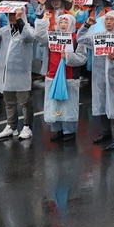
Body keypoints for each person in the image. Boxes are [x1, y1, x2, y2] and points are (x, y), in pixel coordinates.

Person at [81, 10, 114, 142]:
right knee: (102, 101)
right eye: (106, 20)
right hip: (100, 76)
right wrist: (86, 25)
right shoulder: (98, 36)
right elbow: (81, 39)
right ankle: (106, 131)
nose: (108, 22)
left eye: (111, 20)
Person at [0, 0, 38, 140]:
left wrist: (20, 20)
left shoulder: (28, 28)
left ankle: (27, 126)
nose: (11, 17)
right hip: (7, 72)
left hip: (21, 72)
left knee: (24, 101)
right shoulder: (5, 30)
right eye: (9, 14)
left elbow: (28, 37)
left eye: (14, 14)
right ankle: (11, 126)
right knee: (9, 101)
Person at [38, 12, 83, 144]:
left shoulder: (76, 39)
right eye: (61, 22)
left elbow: (82, 58)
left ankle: (69, 130)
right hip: (52, 74)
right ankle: (58, 129)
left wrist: (68, 57)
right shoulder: (53, 37)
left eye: (66, 22)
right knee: (55, 104)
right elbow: (39, 36)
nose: (63, 25)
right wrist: (44, 19)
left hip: (69, 76)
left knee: (68, 105)